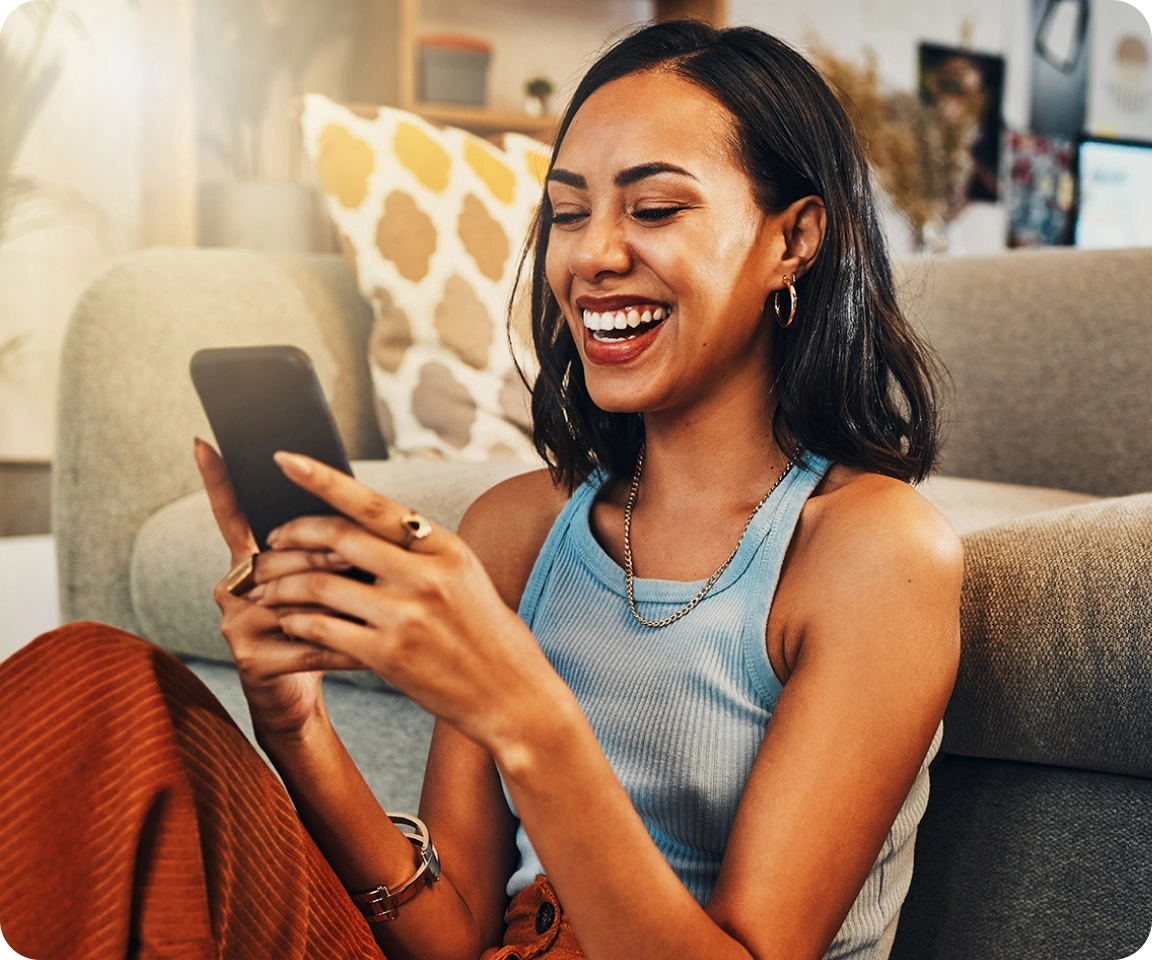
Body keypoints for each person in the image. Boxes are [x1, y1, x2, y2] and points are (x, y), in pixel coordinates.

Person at [0, 19, 961, 960]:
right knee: (92, 686)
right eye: (570, 212)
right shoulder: (520, 528)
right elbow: (450, 931)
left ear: (794, 239)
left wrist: (524, 710)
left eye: (655, 209)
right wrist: (296, 728)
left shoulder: (871, 555)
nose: (590, 257)